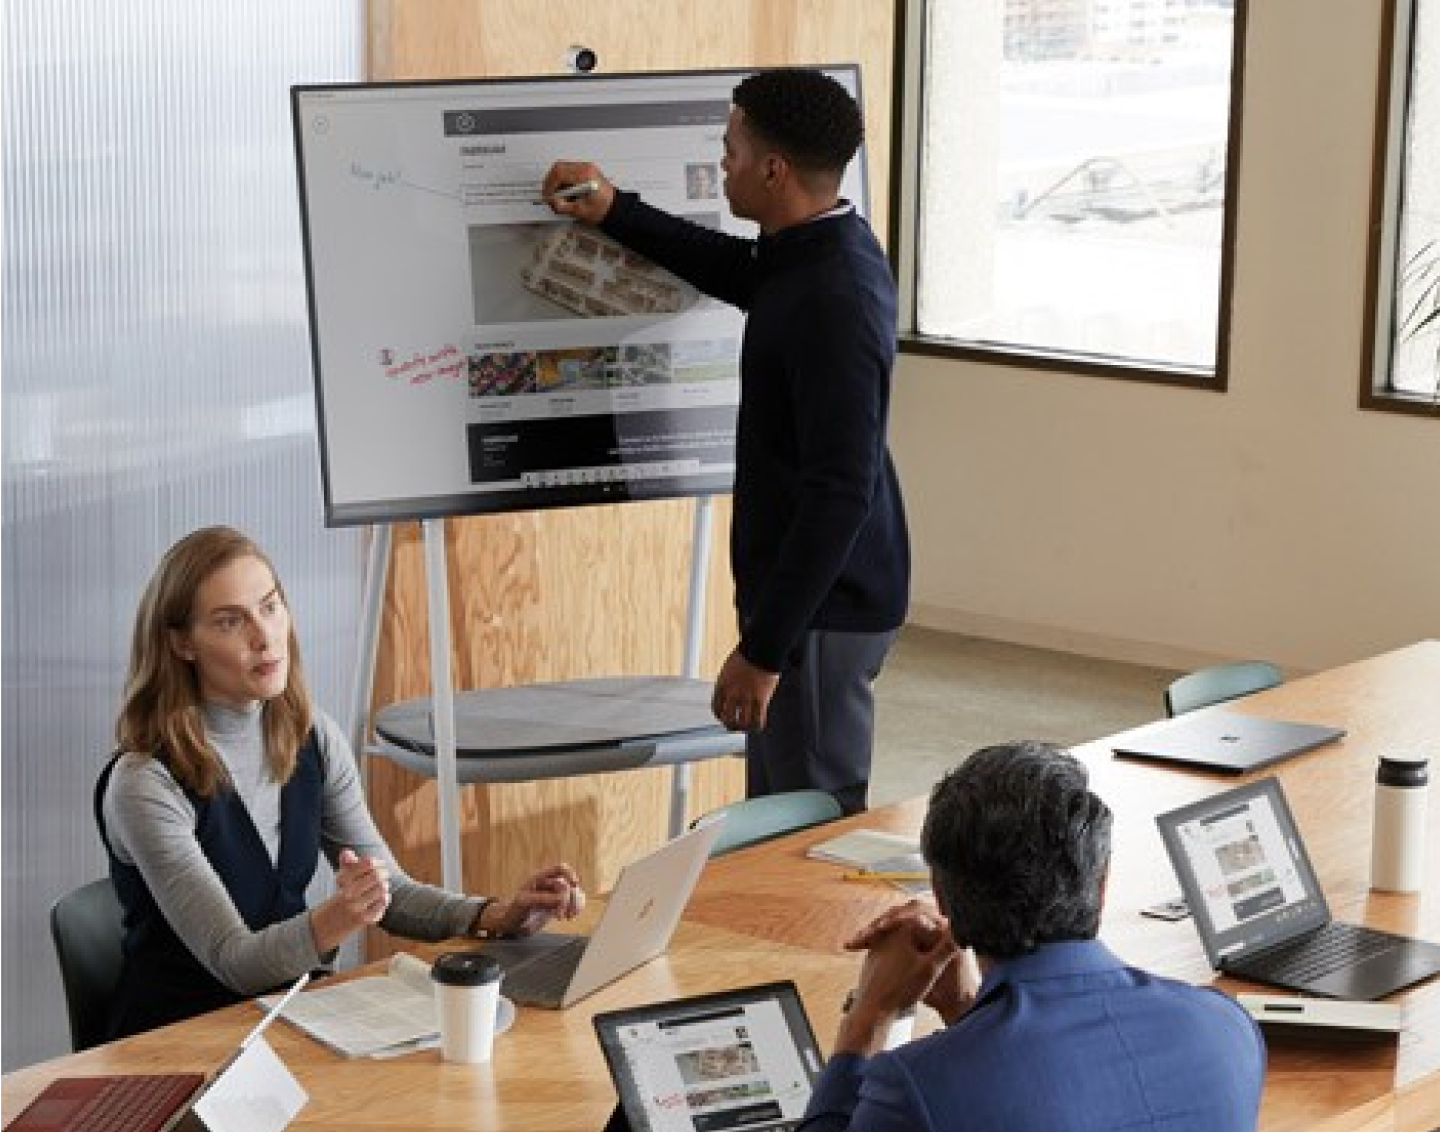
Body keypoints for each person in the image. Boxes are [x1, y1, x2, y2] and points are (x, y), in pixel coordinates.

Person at [543, 67, 909, 813]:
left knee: (808, 827)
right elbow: (738, 271)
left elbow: (840, 494)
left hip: (822, 613)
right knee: (777, 813)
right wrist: (617, 211)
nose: (723, 164)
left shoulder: (836, 297)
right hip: (806, 604)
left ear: (773, 169)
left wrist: (764, 652)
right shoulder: (813, 246)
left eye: (731, 151)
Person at [97, 525, 585, 1039]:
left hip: (287, 1019)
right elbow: (233, 961)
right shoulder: (145, 784)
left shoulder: (310, 736)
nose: (263, 637)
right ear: (181, 644)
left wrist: (496, 916)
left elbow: (389, 892)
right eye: (229, 622)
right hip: (178, 1045)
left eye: (270, 606)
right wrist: (338, 917)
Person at [774, 741, 1265, 1132]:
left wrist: (870, 1019)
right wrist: (966, 1011)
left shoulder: (917, 1089)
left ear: (944, 901)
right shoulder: (1225, 1027)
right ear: (1101, 883)